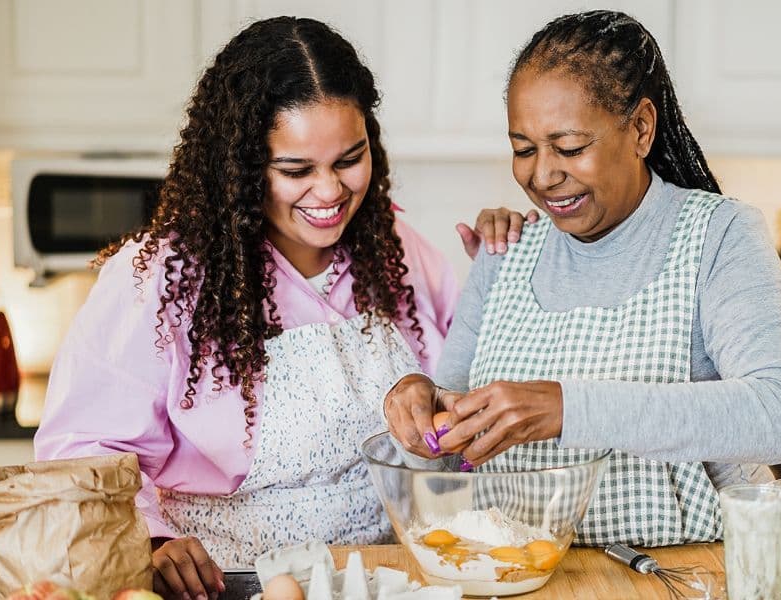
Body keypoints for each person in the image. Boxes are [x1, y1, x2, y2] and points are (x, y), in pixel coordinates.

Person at [34, 16, 527, 599]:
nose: (330, 192)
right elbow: (81, 456)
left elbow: (464, 403)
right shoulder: (163, 278)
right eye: (296, 170)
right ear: (242, 168)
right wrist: (154, 542)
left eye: (350, 159)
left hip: (388, 583)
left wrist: (506, 284)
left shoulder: (397, 253)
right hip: (232, 585)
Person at [384, 10, 781, 548]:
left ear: (640, 128)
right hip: (518, 572)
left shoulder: (718, 235)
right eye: (523, 149)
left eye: (569, 148)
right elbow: (451, 444)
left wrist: (566, 409)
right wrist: (421, 403)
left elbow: (780, 414)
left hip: (681, 572)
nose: (541, 175)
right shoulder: (506, 251)